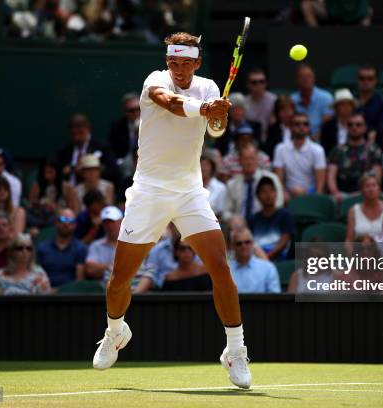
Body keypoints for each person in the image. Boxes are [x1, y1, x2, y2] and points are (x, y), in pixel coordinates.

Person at [92, 32, 251, 389]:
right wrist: (206, 109)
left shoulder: (210, 87)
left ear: (197, 63)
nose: (178, 70)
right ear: (168, 62)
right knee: (120, 279)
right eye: (173, 62)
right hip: (148, 191)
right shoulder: (155, 82)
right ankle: (115, 331)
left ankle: (235, 351)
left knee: (221, 269)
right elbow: (171, 103)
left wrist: (218, 115)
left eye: (185, 63)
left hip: (189, 192)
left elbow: (215, 131)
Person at [327, 113, 382, 201]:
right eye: (350, 125)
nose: (354, 127)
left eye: (358, 125)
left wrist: (363, 193)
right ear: (347, 128)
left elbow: (377, 177)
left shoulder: (373, 149)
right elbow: (331, 177)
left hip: (366, 192)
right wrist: (336, 193)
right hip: (342, 194)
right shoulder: (337, 150)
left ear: (365, 128)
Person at [273, 112, 327, 200]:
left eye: (305, 124)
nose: (301, 127)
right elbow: (279, 179)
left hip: (310, 193)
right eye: (297, 124)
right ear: (290, 127)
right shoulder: (280, 149)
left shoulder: (318, 150)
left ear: (309, 127)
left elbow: (320, 185)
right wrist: (282, 193)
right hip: (288, 193)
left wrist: (314, 196)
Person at [55, 113, 119, 186]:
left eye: (79, 127)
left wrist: (89, 170)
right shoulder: (64, 151)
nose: (75, 130)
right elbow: (57, 173)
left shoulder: (102, 148)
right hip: (69, 190)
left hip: (95, 191)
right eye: (72, 127)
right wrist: (68, 170)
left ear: (88, 128)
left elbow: (114, 172)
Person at [223, 144, 284, 222]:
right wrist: (233, 219)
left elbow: (279, 204)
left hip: (265, 222)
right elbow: (226, 211)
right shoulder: (231, 184)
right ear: (239, 161)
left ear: (257, 160)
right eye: (246, 159)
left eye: (252, 158)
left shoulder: (271, 179)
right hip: (240, 226)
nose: (249, 162)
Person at [36, 208, 87, 288]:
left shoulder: (80, 248)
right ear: (56, 222)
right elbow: (37, 276)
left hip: (70, 294)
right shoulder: (42, 247)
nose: (66, 224)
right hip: (45, 294)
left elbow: (79, 281)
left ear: (75, 225)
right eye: (63, 219)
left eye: (71, 221)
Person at [248, 176, 294, 261]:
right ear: (258, 196)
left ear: (276, 193)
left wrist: (268, 256)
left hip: (280, 260)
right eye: (264, 191)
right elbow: (251, 243)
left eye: (271, 190)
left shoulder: (285, 215)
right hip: (258, 259)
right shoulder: (253, 219)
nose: (268, 194)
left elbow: (285, 240)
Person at [27, 157, 76, 229]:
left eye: (50, 172)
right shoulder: (37, 185)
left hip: (58, 218)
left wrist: (56, 208)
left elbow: (73, 210)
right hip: (39, 217)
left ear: (57, 171)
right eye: (45, 172)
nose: (47, 176)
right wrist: (40, 204)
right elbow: (30, 204)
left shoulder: (66, 187)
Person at [229, 227, 281, 294]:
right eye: (239, 243)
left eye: (247, 242)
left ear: (253, 243)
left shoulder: (268, 268)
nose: (243, 246)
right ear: (233, 246)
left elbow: (275, 297)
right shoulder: (227, 271)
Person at [290, 63, 334, 138]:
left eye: (308, 76)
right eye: (302, 77)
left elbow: (327, 126)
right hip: (297, 139)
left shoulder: (326, 98)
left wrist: (312, 141)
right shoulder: (291, 100)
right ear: (297, 80)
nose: (306, 80)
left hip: (321, 140)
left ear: (314, 78)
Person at [346, 174, 383, 242]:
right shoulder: (353, 211)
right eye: (367, 186)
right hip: (360, 250)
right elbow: (349, 240)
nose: (371, 189)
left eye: (374, 185)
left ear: (379, 189)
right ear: (362, 191)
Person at [213, 93, 261, 157]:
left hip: (249, 158)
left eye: (240, 109)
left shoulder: (255, 126)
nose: (237, 112)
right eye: (234, 109)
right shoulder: (222, 128)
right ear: (229, 111)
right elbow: (219, 148)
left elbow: (258, 145)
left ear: (244, 110)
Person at [85, 206, 123, 281]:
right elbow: (90, 269)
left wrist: (101, 268)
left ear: (121, 222)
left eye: (112, 222)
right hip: (102, 289)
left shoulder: (130, 244)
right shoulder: (96, 245)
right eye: (106, 222)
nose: (109, 226)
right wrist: (110, 267)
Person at [244, 68, 276, 144]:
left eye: (262, 82)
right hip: (250, 142)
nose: (258, 85)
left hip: (271, 141)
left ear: (266, 83)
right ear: (248, 85)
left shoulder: (274, 101)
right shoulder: (244, 102)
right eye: (254, 82)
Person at [356, 65, 383, 140]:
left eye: (370, 79)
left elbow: (382, 127)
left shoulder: (382, 102)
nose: (366, 82)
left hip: (375, 142)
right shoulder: (351, 101)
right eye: (362, 78)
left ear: (375, 81)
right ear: (357, 80)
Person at [320, 88, 356, 156]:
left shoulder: (359, 125)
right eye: (342, 104)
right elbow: (325, 150)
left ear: (352, 107)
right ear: (336, 108)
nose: (346, 107)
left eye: (349, 104)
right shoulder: (328, 127)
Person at [108, 92, 140, 160]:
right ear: (125, 111)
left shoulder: (151, 124)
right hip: (125, 162)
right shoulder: (117, 128)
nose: (136, 113)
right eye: (132, 111)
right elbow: (113, 150)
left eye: (138, 109)